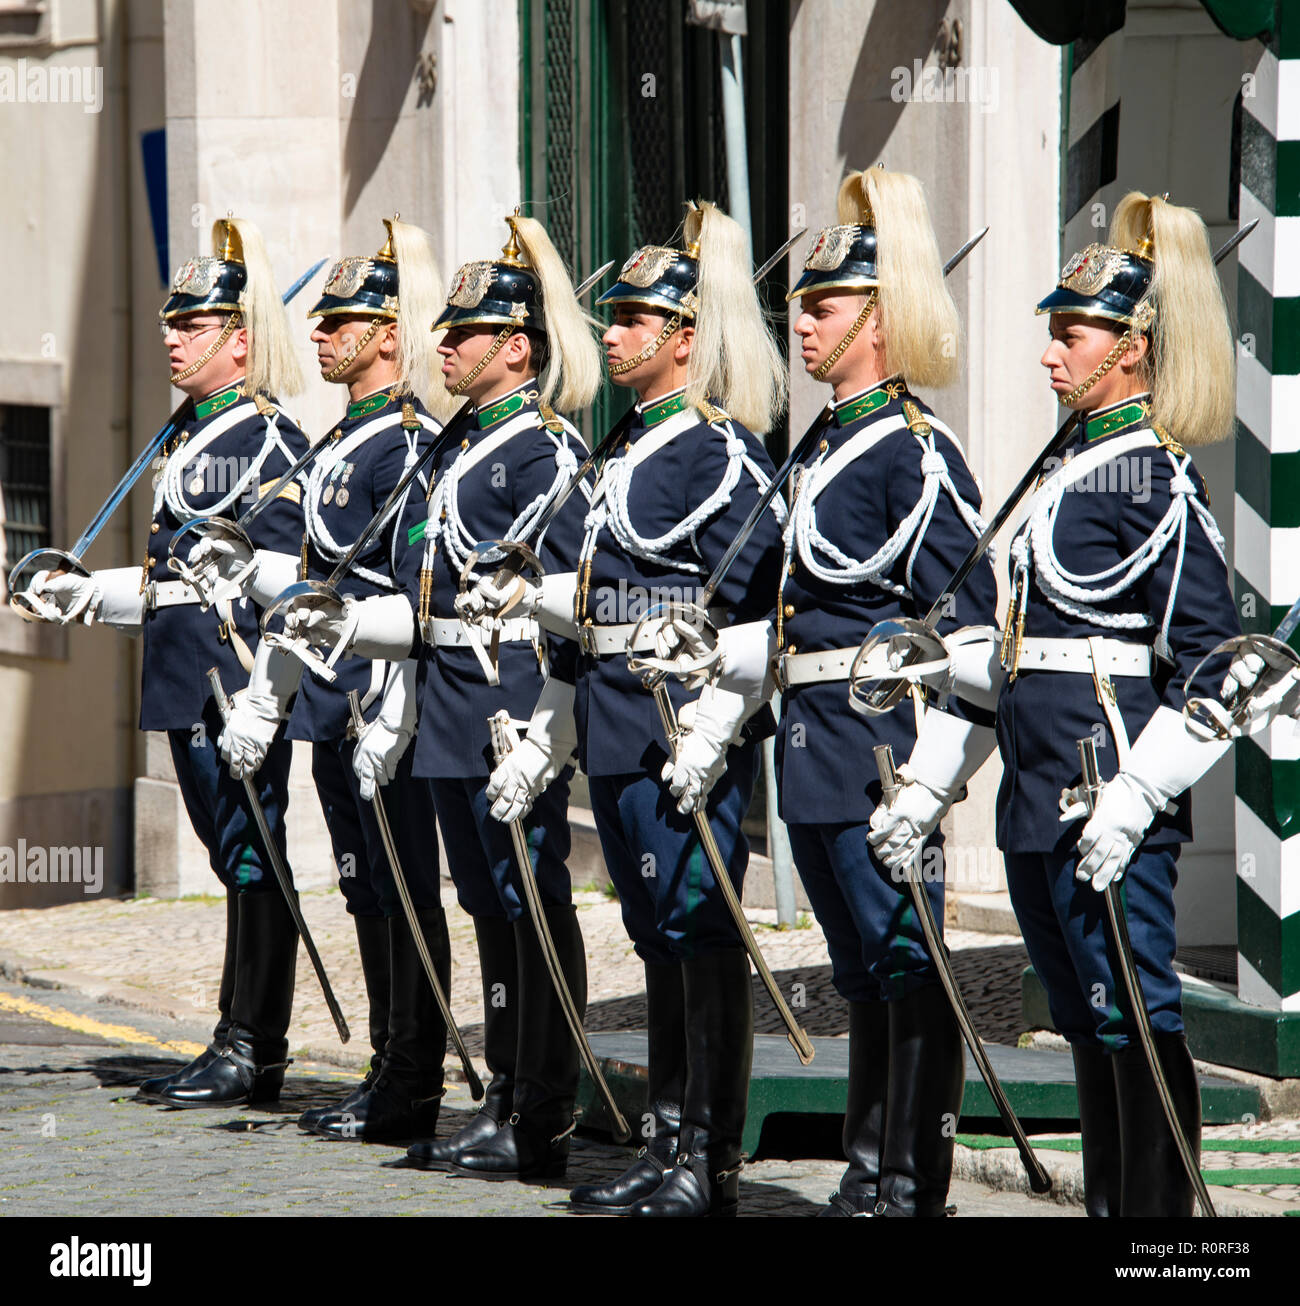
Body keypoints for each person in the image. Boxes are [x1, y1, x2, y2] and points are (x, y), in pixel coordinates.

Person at [871, 192, 1244, 1217]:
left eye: (1069, 336)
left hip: (1106, 790)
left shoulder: (1155, 482)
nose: (1048, 357)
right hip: (1035, 797)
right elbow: (998, 659)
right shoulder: (1062, 473)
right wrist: (925, 785)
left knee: (1134, 1003)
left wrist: (1138, 795)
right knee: (1085, 1016)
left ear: (1132, 348)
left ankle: (1161, 1231)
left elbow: (1215, 665)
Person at [470, 200, 787, 1217]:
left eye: (631, 319)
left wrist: (712, 722)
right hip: (610, 719)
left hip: (676, 724)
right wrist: (546, 715)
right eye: (610, 317)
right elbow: (594, 607)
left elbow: (756, 607)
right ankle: (664, 1140)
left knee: (701, 931)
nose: (607, 333)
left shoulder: (719, 454)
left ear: (684, 337)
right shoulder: (622, 453)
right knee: (655, 936)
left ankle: (710, 1158)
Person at [304, 212, 601, 1179]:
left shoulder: (546, 450)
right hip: (438, 696)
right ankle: (506, 1092)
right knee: (482, 903)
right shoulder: (449, 449)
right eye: (443, 331)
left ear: (516, 347)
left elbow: (564, 599)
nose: (444, 346)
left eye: (464, 334)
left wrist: (543, 730)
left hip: (507, 698)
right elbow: (416, 588)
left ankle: (543, 1109)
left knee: (528, 900)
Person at [23, 217, 310, 1108]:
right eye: (170, 325)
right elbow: (170, 584)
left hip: (234, 684)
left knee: (254, 858)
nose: (171, 340)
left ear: (241, 340)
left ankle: (253, 1043)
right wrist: (87, 595)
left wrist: (264, 698)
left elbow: (282, 587)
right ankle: (237, 1037)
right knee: (232, 859)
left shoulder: (268, 442)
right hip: (184, 677)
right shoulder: (191, 435)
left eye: (192, 327)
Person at [191, 218, 455, 1141]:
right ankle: (389, 1065)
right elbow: (309, 583)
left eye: (340, 321)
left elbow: (411, 592)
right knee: (363, 887)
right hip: (331, 702)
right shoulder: (337, 442)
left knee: (404, 886)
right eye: (321, 319)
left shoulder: (410, 444)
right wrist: (270, 681)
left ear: (389, 334)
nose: (318, 334)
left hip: (386, 704)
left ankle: (413, 1076)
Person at [771, 167, 998, 1217]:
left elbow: (970, 626)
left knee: (909, 963)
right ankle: (867, 1169)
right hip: (810, 738)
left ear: (877, 316)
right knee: (857, 969)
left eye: (822, 306)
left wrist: (928, 781)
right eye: (802, 306)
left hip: (879, 743)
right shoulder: (820, 441)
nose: (802, 324)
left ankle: (915, 1178)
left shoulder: (912, 450)